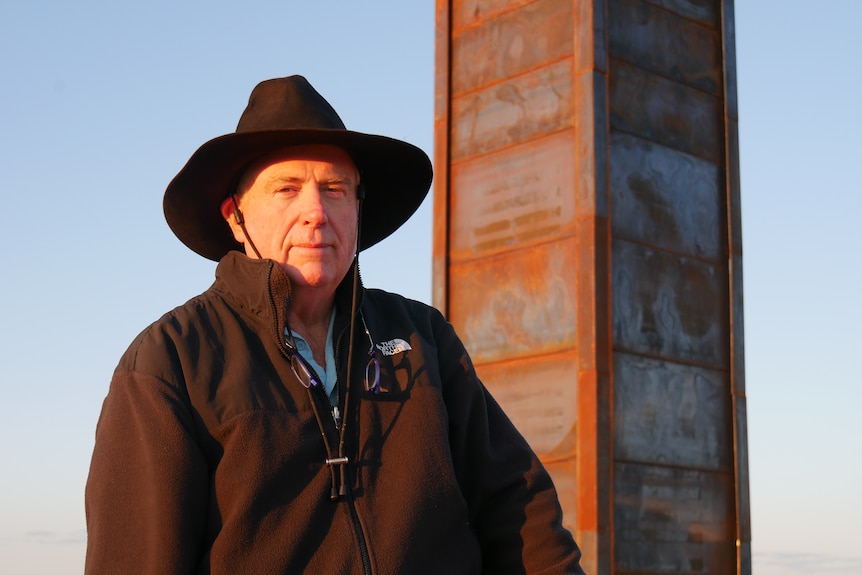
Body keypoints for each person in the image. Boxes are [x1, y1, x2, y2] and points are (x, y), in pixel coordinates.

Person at [85, 75, 585, 574]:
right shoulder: (169, 362)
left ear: (358, 209)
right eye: (287, 189)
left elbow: (520, 510)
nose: (316, 213)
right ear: (235, 217)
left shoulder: (423, 337)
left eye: (335, 189)